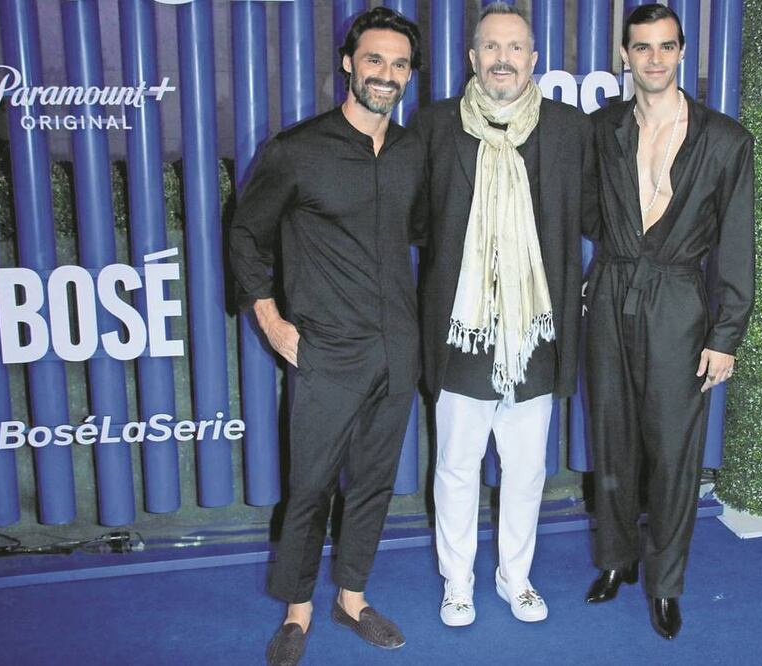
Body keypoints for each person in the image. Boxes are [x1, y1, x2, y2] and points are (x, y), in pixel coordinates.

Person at [227, 7, 424, 663]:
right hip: (326, 349)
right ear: (348, 62)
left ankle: (351, 599)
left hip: (397, 351)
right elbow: (245, 236)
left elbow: (424, 237)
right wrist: (270, 318)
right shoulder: (294, 150)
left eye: (398, 64)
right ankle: (297, 613)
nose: (385, 74)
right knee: (310, 486)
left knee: (372, 484)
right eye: (374, 59)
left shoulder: (412, 152)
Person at [411, 2, 597, 628]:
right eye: (491, 47)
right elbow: (414, 222)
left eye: (515, 48)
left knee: (525, 469)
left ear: (534, 58)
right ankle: (457, 582)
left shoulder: (570, 130)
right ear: (472, 57)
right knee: (457, 465)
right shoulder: (436, 126)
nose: (502, 60)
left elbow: (597, 215)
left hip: (534, 329)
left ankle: (515, 577)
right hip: (462, 330)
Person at [583, 4, 755, 640]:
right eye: (641, 47)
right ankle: (618, 560)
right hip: (611, 291)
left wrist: (726, 335)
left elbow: (737, 243)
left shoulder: (727, 139)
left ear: (683, 51)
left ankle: (665, 583)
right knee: (613, 439)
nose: (653, 59)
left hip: (680, 301)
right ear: (624, 55)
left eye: (665, 47)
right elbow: (588, 215)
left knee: (675, 452)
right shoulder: (600, 130)